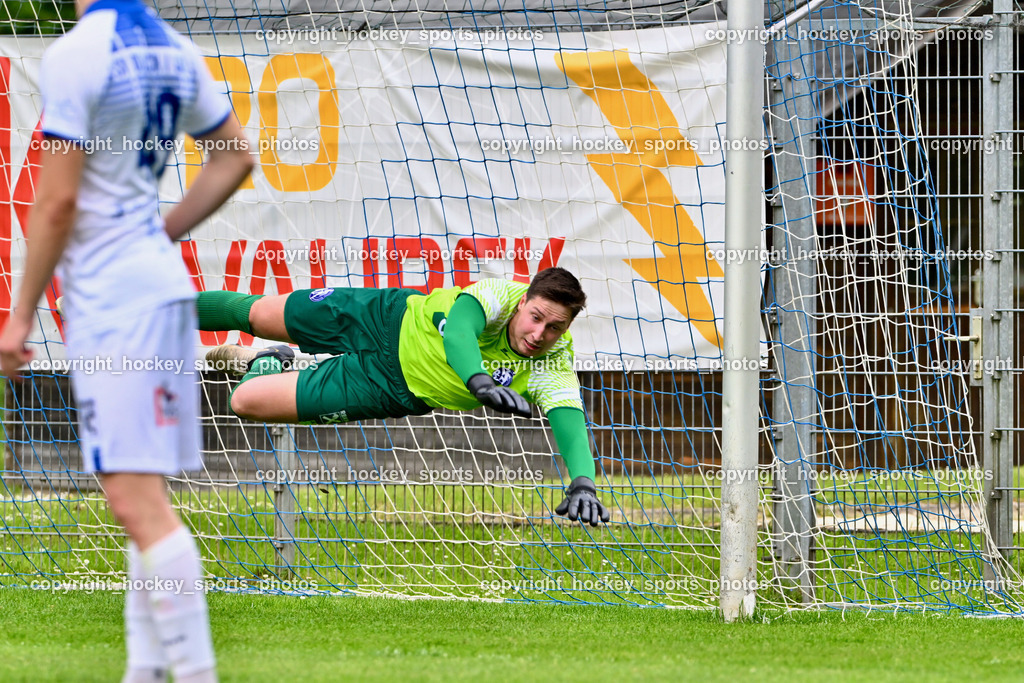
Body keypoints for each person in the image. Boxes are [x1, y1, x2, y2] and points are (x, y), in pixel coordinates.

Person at [0, 0, 254, 681]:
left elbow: (56, 202)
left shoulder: (77, 52)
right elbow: (236, 155)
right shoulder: (174, 47)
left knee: (135, 504)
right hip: (158, 289)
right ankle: (144, 672)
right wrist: (159, 233)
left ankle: (195, 673)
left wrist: (19, 315)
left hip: (114, 302)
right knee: (143, 497)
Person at [199, 267, 612, 526]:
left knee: (244, 402)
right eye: (536, 318)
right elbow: (459, 331)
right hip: (383, 316)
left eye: (554, 328)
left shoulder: (551, 362)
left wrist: (583, 483)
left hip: (387, 387)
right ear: (523, 303)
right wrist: (479, 381)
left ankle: (268, 362)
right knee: (256, 315)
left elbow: (570, 420)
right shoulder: (498, 296)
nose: (539, 334)